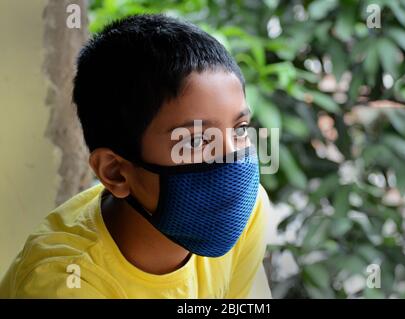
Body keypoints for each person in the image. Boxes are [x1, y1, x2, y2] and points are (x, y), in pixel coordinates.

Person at [0, 14, 271, 298]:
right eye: (196, 140)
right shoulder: (67, 283)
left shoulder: (245, 211)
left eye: (239, 129)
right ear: (116, 172)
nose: (233, 158)